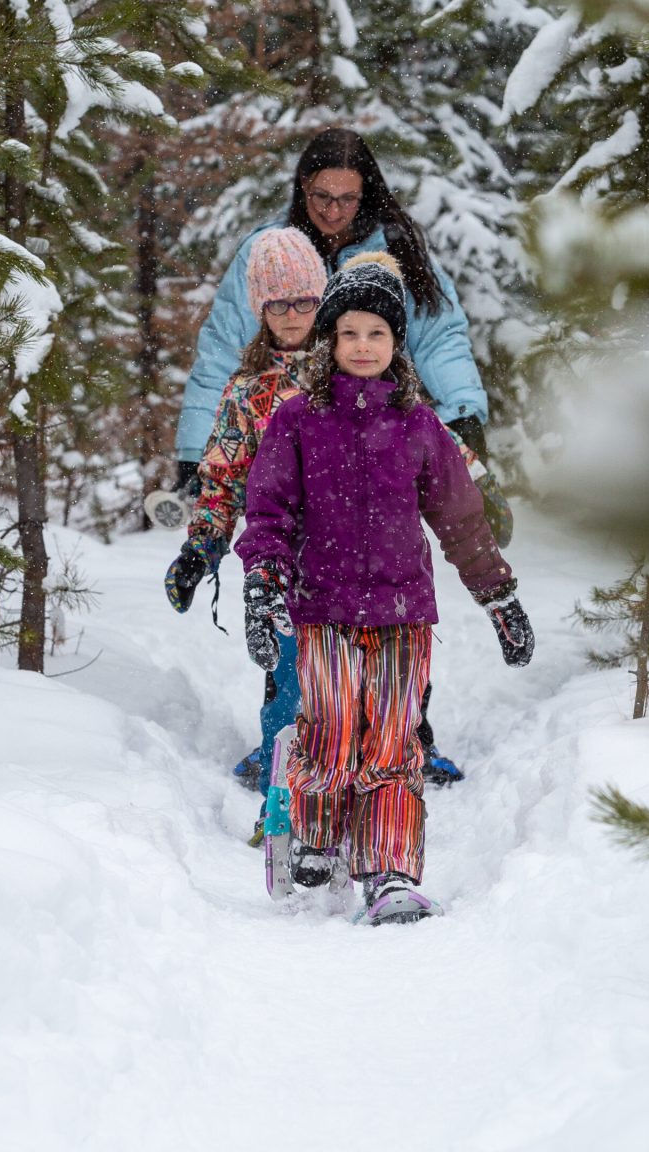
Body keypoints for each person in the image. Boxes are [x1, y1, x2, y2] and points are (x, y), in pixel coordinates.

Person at [169, 127, 505, 788]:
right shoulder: (261, 324)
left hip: (379, 533)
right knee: (295, 655)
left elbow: (435, 354)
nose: (333, 210)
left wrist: (472, 452)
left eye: (346, 198)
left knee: (392, 648)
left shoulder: (376, 311)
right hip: (296, 538)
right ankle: (289, 757)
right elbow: (221, 356)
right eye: (321, 196)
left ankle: (404, 741)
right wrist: (196, 472)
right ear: (302, 189)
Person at [234, 252, 535, 926]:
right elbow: (270, 510)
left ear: (397, 342)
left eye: (377, 333)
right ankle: (315, 833)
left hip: (403, 612)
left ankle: (391, 870)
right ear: (330, 340)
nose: (363, 346)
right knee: (333, 732)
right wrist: (263, 583)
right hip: (323, 606)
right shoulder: (298, 421)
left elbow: (460, 519)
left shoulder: (419, 425)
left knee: (395, 742)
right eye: (349, 333)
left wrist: (498, 595)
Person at [162, 228, 323, 824]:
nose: (292, 315)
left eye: (304, 301)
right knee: (286, 668)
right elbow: (223, 477)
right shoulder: (248, 391)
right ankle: (283, 781)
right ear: (260, 309)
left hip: (349, 549)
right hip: (276, 556)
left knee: (349, 668)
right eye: (278, 304)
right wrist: (202, 547)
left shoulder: (351, 369)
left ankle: (357, 773)